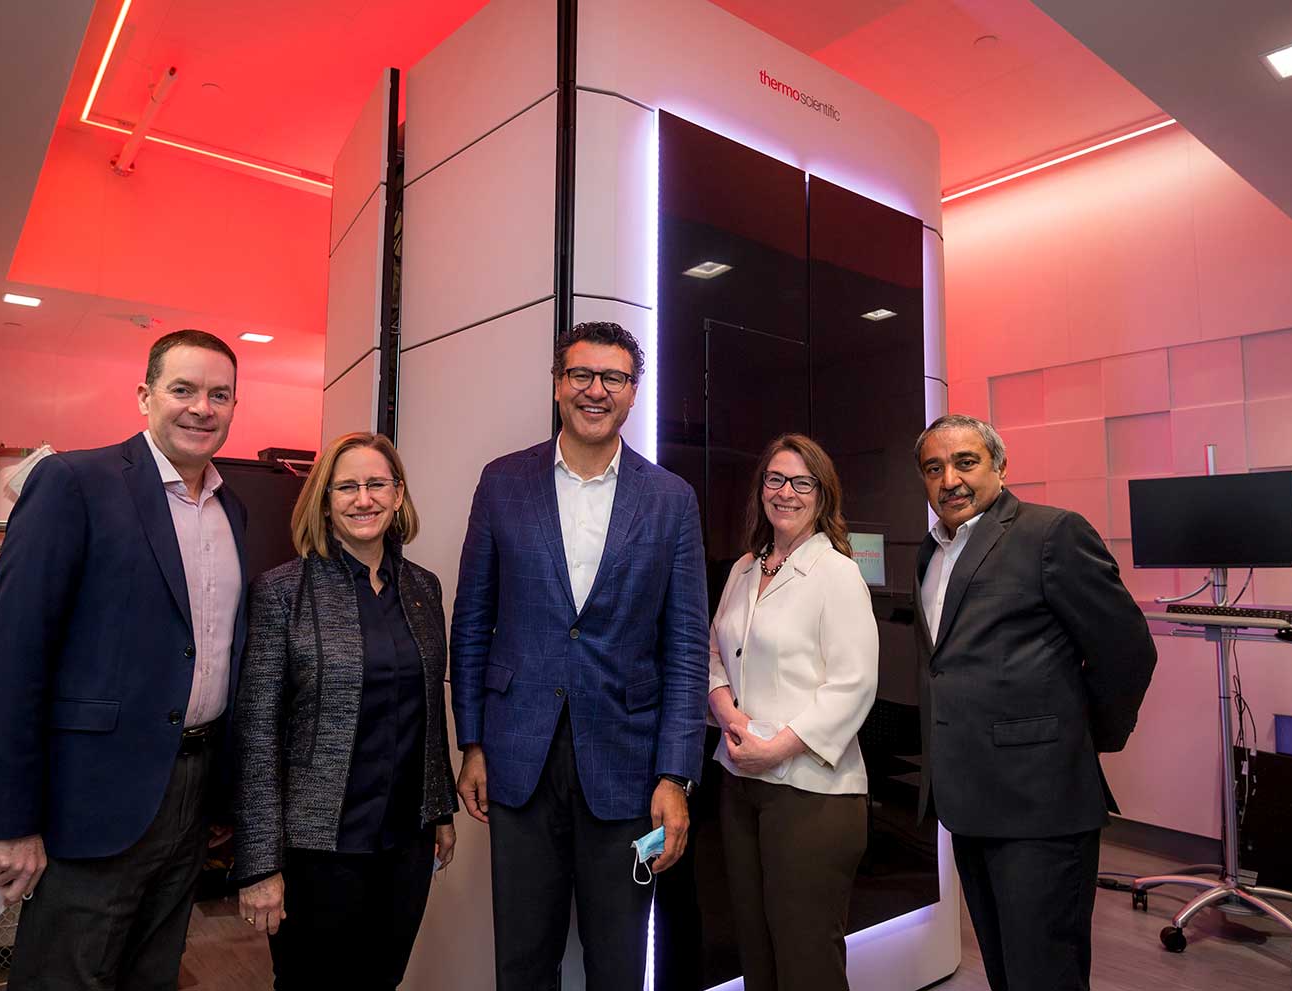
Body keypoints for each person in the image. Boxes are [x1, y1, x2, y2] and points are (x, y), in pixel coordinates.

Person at [0, 329, 249, 989]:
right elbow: (15, 658)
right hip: (91, 795)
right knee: (67, 973)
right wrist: (12, 817)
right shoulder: (75, 482)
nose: (201, 407)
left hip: (191, 788)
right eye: (183, 389)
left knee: (152, 972)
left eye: (219, 394)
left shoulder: (230, 508)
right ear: (145, 395)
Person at [451, 321, 710, 990]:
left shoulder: (671, 500)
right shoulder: (502, 482)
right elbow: (473, 619)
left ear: (633, 392)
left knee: (620, 962)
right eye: (581, 375)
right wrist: (472, 741)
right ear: (558, 383)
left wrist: (675, 775)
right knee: (523, 959)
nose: (596, 390)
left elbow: (685, 647)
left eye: (613, 378)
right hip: (516, 756)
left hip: (628, 767)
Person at [912, 413, 1157, 991]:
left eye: (965, 462)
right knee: (1004, 970)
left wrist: (1081, 739)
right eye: (933, 468)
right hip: (968, 799)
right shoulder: (929, 551)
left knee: (1045, 975)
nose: (950, 479)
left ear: (999, 466)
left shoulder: (1051, 533)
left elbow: (1127, 650)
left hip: (1041, 803)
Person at [233, 432, 457, 991]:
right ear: (325, 500)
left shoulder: (423, 589)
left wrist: (440, 808)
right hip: (318, 849)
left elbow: (427, 709)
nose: (364, 499)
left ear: (398, 493)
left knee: (382, 981)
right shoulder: (283, 592)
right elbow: (257, 735)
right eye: (347, 487)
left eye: (377, 484)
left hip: (406, 841)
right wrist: (260, 864)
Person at [708, 433, 878, 991]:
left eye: (801, 483)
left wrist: (776, 747)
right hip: (739, 783)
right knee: (755, 952)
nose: (786, 492)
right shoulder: (742, 570)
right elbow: (714, 652)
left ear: (821, 495)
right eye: (775, 480)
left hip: (812, 792)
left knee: (806, 958)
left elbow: (853, 685)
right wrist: (728, 712)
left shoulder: (837, 574)